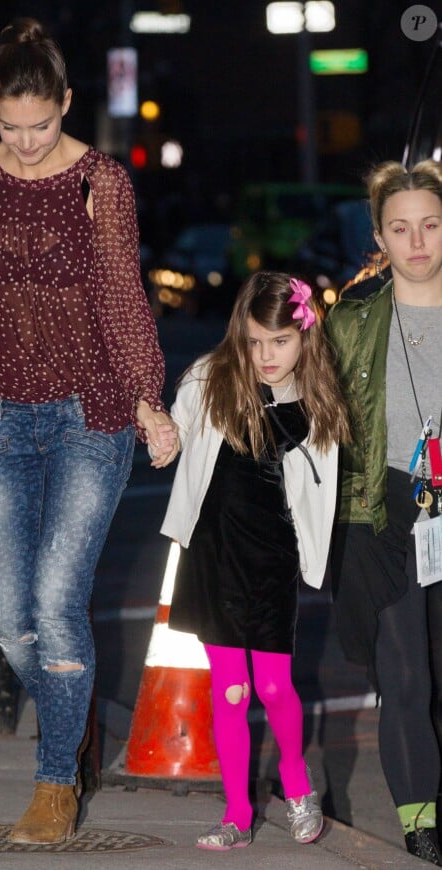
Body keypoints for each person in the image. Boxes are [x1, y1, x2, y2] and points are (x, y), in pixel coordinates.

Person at [0, 17, 178, 846]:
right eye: (11, 127)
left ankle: (53, 783)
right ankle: (74, 720)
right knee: (12, 625)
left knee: (58, 605)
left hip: (89, 414)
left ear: (67, 104)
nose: (26, 145)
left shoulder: (98, 182)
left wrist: (149, 396)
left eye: (42, 125)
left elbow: (120, 295)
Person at [160, 270, 350, 850]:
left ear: (304, 336)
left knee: (271, 686)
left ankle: (296, 786)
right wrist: (158, 432)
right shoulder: (209, 379)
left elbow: (321, 491)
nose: (266, 356)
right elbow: (174, 430)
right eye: (253, 342)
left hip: (269, 560)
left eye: (280, 342)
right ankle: (237, 814)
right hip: (211, 555)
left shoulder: (315, 402)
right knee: (231, 689)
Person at [325, 159, 442, 865]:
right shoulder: (355, 316)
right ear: (380, 236)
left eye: (430, 225)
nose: (418, 241)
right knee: (405, 673)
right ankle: (421, 817)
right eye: (401, 229)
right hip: (385, 506)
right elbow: (312, 406)